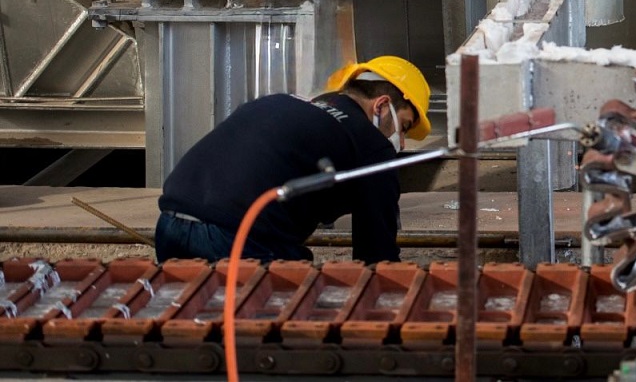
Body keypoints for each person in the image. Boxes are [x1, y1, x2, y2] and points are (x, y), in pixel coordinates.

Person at [155, 55, 431, 264]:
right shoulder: (371, 146)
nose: (401, 142)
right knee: (297, 310)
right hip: (233, 241)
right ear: (381, 106)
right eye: (403, 127)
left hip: (169, 226)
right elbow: (376, 255)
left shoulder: (279, 102)